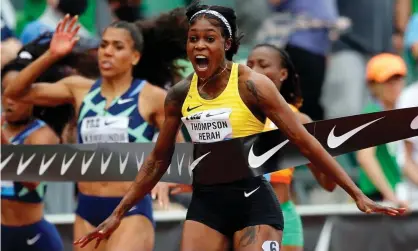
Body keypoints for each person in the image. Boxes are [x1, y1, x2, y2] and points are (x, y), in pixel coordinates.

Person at [74, 2, 405, 251]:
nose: (200, 46)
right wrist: (119, 212)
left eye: (209, 39)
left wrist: (357, 194)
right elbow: (158, 160)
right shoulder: (178, 94)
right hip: (206, 204)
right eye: (193, 39)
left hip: (253, 202)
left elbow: (306, 142)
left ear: (227, 44)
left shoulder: (252, 84)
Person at [4, 9, 188, 251]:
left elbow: (181, 149)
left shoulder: (152, 97)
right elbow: (15, 93)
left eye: (117, 46)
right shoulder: (79, 89)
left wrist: (168, 177)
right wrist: (52, 54)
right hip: (87, 208)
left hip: (129, 211)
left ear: (134, 56)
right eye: (103, 45)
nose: (107, 51)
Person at [247, 43, 336, 251]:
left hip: (285, 217)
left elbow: (328, 184)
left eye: (263, 64)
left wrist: (330, 150)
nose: (254, 70)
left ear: (283, 74)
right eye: (250, 64)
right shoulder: (232, 114)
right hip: (243, 217)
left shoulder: (299, 120)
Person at [1, 80, 63, 250]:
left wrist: (3, 142)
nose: (10, 101)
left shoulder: (42, 135)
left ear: (31, 100)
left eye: (17, 95)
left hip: (31, 236)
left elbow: (31, 181)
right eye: (6, 94)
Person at [356, 53, 408, 207]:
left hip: (399, 194)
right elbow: (365, 158)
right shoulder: (372, 113)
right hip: (379, 198)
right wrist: (391, 197)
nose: (395, 86)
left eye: (397, 80)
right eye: (387, 81)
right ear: (372, 85)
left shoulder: (400, 113)